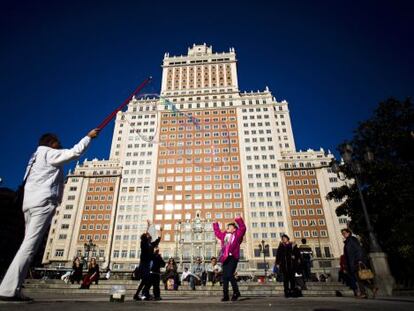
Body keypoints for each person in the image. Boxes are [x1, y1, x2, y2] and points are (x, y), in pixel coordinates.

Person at [0, 129, 100, 302]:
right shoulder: (48, 153)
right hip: (42, 203)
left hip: (30, 203)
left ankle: (14, 288)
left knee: (28, 246)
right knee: (29, 246)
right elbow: (75, 153)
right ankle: (8, 289)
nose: (59, 144)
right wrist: (88, 137)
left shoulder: (34, 158)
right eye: (57, 142)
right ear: (50, 143)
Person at [213, 216, 246, 302]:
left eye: (230, 227)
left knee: (230, 274)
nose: (227, 227)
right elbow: (217, 233)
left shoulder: (238, 235)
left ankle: (236, 292)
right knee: (225, 277)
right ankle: (226, 295)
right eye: (227, 226)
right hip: (225, 257)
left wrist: (238, 219)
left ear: (234, 229)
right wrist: (215, 224)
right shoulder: (224, 235)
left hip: (233, 257)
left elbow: (243, 228)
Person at [341, 228, 378, 298]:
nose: (343, 234)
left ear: (349, 233)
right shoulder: (348, 241)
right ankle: (371, 289)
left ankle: (365, 292)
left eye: (344, 233)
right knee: (359, 278)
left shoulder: (352, 240)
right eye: (342, 233)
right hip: (352, 262)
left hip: (356, 262)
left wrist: (359, 259)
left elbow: (358, 250)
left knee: (359, 277)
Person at [133, 221, 162, 301]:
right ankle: (143, 294)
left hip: (147, 265)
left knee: (144, 281)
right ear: (146, 238)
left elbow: (158, 240)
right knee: (145, 281)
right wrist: (148, 227)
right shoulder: (143, 244)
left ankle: (139, 294)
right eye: (148, 235)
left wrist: (161, 231)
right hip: (143, 264)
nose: (150, 235)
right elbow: (146, 234)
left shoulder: (151, 245)